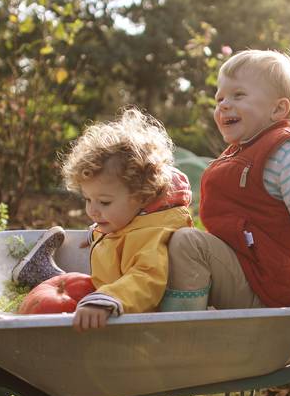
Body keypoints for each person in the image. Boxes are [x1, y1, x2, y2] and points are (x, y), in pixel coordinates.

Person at [162, 49, 290, 319]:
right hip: (247, 272)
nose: (224, 105)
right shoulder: (242, 151)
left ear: (278, 109)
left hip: (265, 287)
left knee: (188, 244)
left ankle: (179, 336)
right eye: (220, 98)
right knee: (169, 237)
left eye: (238, 95)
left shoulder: (286, 154)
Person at [12, 109, 194, 332]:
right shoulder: (129, 219)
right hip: (110, 291)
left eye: (104, 203)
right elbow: (124, 235)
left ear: (142, 196)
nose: (93, 210)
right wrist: (98, 235)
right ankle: (41, 273)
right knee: (77, 288)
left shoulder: (151, 236)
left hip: (130, 311)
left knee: (79, 297)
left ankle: (41, 274)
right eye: (88, 199)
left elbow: (145, 279)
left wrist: (106, 300)